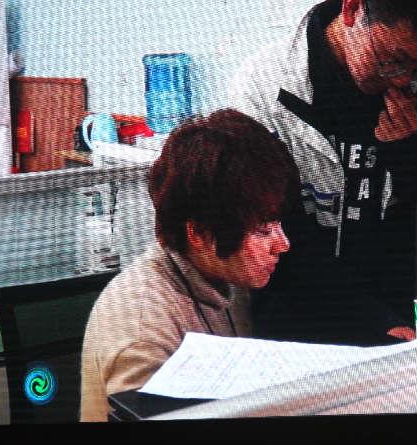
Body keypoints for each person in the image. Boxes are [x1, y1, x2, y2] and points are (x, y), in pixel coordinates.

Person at [228, 0, 417, 347]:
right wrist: (370, 323)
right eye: (392, 59)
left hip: (414, 318)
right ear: (353, 8)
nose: (402, 79)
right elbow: (279, 238)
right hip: (303, 321)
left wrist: (414, 158)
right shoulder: (263, 91)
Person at [79, 109, 299, 421]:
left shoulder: (224, 275)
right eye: (262, 230)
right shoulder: (142, 329)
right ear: (199, 233)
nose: (283, 244)